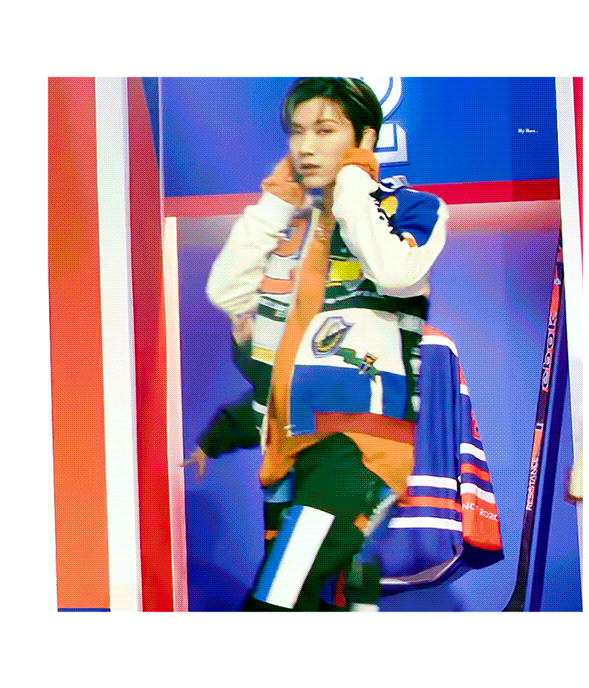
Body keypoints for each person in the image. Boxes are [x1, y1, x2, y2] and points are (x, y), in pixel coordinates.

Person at [205, 77, 449, 611]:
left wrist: (357, 181)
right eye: (297, 133)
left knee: (278, 598)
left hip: (361, 444)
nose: (306, 147)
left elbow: (395, 270)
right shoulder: (293, 226)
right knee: (324, 603)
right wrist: (275, 205)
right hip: (289, 446)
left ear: (365, 137)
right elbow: (228, 292)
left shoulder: (412, 209)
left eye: (325, 131)